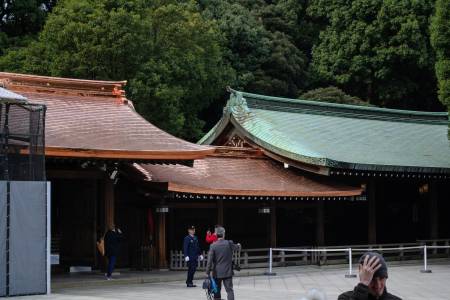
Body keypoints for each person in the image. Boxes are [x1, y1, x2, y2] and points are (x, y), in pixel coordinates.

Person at [206, 226, 241, 300]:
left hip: (217, 272)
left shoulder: (213, 246)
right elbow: (237, 248)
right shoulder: (229, 243)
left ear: (216, 235)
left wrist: (207, 272)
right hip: (227, 271)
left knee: (217, 291)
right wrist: (239, 245)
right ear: (223, 234)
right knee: (229, 290)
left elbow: (209, 261)